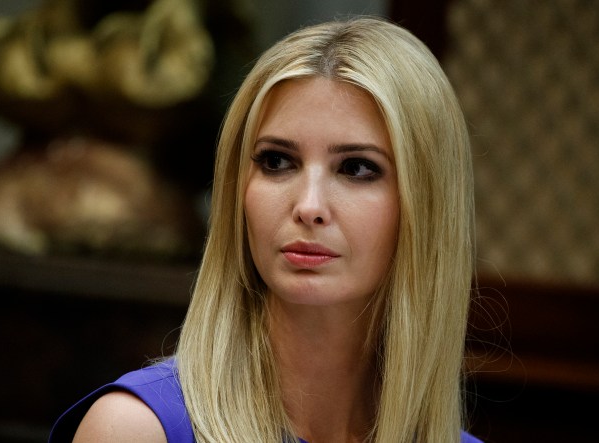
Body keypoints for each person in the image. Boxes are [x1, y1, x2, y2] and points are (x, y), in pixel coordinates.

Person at [49, 16, 479, 443]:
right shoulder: (134, 430)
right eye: (276, 161)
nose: (308, 206)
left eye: (357, 168)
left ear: (426, 206)